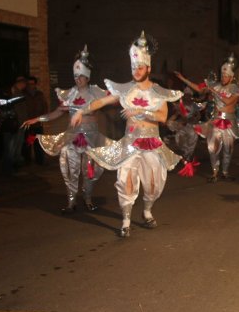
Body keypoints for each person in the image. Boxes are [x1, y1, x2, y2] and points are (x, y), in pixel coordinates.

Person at [71, 31, 183, 237]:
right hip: (130, 144)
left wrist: (140, 111)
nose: (136, 71)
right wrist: (81, 110)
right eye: (133, 67)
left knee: (153, 184)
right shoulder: (124, 90)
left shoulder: (159, 91)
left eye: (140, 67)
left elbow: (162, 117)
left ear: (148, 67)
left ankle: (147, 211)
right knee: (126, 181)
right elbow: (101, 102)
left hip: (152, 143)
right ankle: (126, 220)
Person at [22, 45, 112, 213]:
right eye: (76, 76)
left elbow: (113, 99)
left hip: (91, 138)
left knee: (90, 172)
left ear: (88, 77)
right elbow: (55, 113)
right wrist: (37, 119)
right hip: (72, 137)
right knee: (71, 170)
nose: (78, 79)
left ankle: (87, 198)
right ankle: (71, 202)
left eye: (82, 76)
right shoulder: (69, 93)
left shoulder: (96, 92)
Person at [174, 53, 239, 182]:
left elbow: (229, 102)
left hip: (229, 121)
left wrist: (214, 92)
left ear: (231, 76)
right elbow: (199, 89)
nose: (223, 78)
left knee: (228, 149)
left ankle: (225, 172)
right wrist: (183, 79)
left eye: (226, 76)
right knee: (213, 148)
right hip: (216, 120)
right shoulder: (215, 85)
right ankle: (215, 173)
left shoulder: (236, 89)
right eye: (222, 75)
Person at [1, 76, 27, 174]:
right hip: (13, 125)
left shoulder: (20, 93)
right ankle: (8, 167)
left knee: (16, 146)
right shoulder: (12, 93)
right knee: (10, 147)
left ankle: (14, 166)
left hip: (20, 124)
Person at [23, 76, 48, 165]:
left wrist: (43, 118)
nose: (31, 86)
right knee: (28, 143)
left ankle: (40, 160)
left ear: (35, 84)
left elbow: (44, 106)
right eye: (29, 84)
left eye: (32, 84)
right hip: (29, 123)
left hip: (38, 123)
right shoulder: (24, 95)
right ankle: (27, 161)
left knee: (39, 143)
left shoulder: (39, 94)